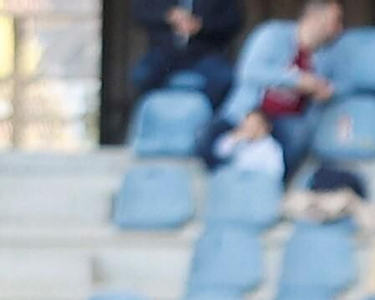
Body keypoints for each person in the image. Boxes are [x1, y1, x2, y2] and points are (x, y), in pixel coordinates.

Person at [204, 0, 344, 180]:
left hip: (284, 125)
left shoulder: (327, 57)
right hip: (245, 114)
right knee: (207, 141)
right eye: (335, 20)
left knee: (296, 136)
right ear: (315, 17)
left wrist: (324, 90)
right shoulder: (273, 34)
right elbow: (248, 71)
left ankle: (254, 171)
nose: (339, 28)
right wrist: (298, 80)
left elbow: (339, 84)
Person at [132, 0, 241, 108]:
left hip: (205, 53)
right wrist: (168, 15)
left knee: (223, 79)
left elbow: (233, 20)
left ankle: (210, 123)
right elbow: (139, 11)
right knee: (141, 75)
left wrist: (201, 26)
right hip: (164, 52)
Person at [208, 108, 285, 181]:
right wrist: (234, 138)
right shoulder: (239, 137)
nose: (248, 127)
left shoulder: (272, 149)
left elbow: (275, 175)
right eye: (247, 123)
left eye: (253, 125)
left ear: (263, 127)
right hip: (229, 178)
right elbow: (219, 152)